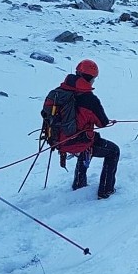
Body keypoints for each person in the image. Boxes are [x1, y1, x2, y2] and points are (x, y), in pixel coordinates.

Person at [59, 59, 120, 199]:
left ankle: (79, 184)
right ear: (91, 78)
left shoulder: (60, 92)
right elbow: (102, 123)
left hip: (59, 140)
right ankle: (106, 190)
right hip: (77, 140)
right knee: (113, 151)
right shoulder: (89, 99)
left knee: (88, 143)